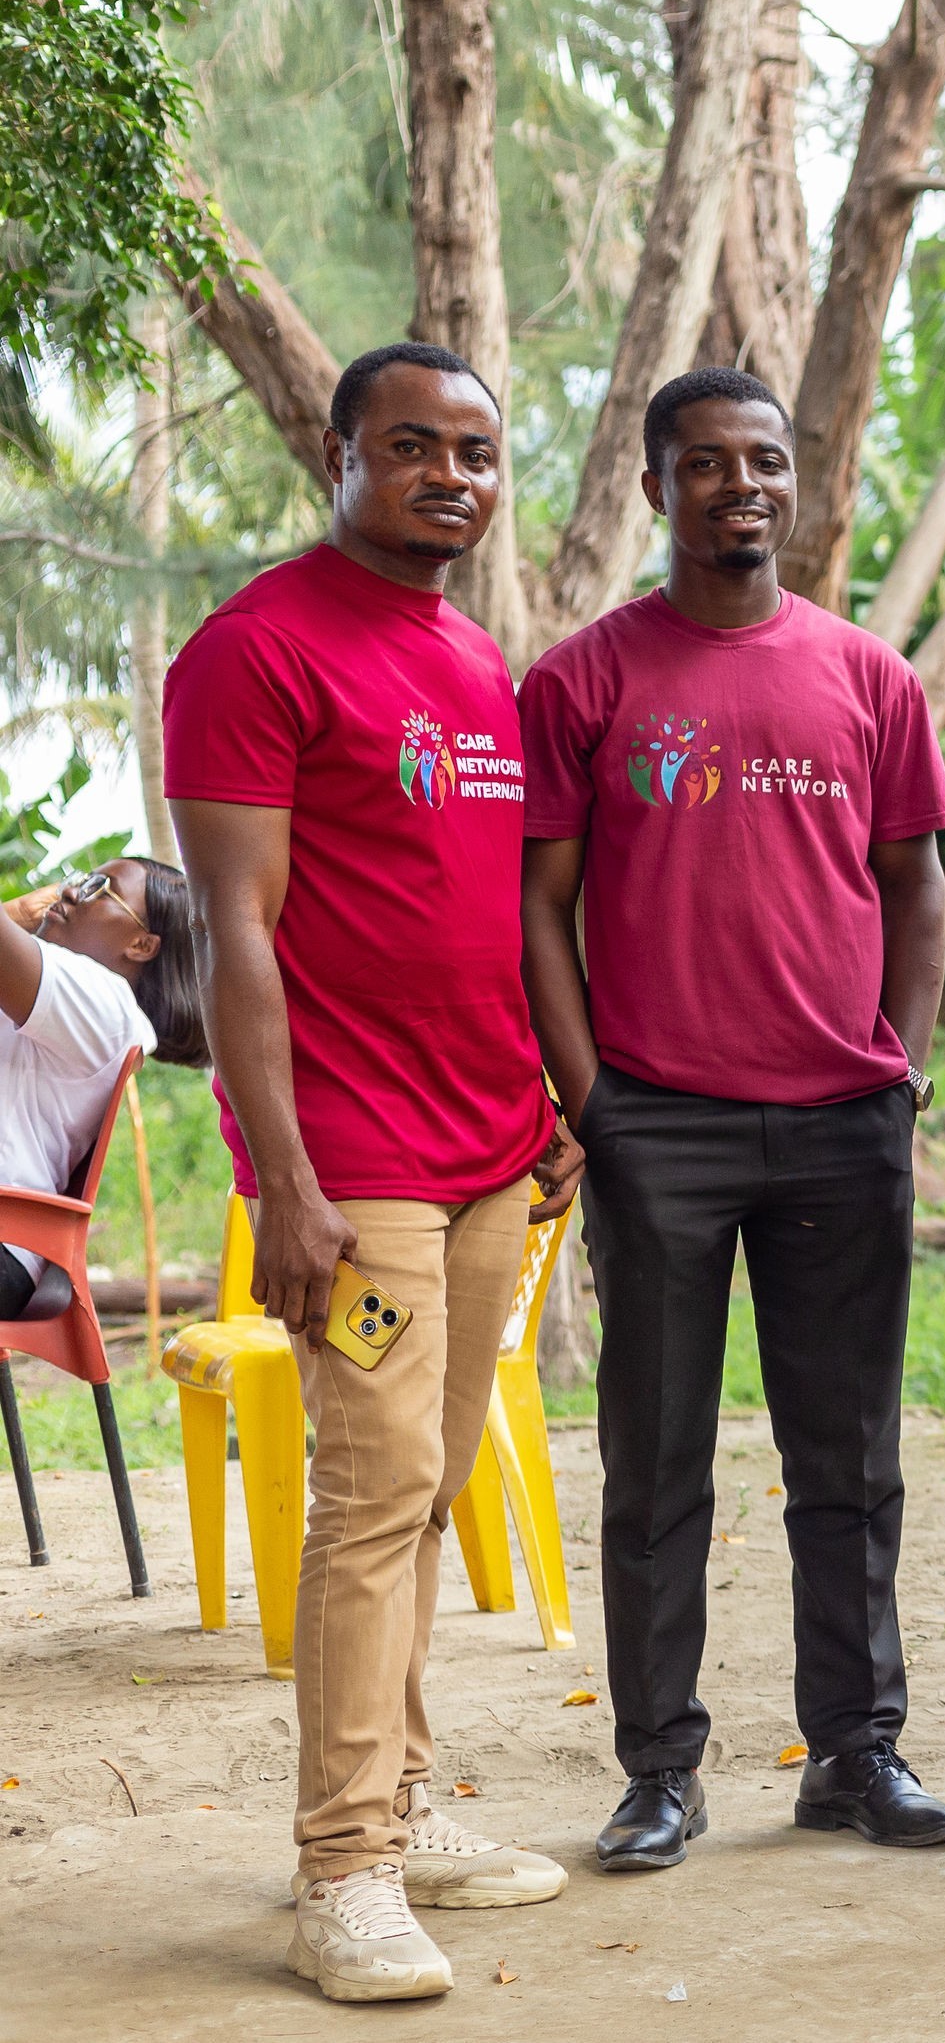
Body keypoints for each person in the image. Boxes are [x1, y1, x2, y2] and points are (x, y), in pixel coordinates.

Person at [165, 341, 581, 2003]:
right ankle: (341, 1867)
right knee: (370, 1491)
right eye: (411, 446)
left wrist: (549, 1097)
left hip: (490, 1143)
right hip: (356, 1156)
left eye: (475, 451)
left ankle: (398, 1802)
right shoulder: (254, 647)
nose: (449, 476)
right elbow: (233, 930)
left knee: (425, 1481)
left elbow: (490, 908)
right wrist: (285, 1176)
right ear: (338, 453)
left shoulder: (475, 657)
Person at [522, 367, 945, 1872]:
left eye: (765, 460)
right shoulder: (582, 679)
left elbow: (918, 886)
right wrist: (594, 1097)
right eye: (706, 463)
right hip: (662, 1126)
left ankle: (856, 1750)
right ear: (658, 487)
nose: (741, 486)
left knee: (849, 1456)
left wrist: (900, 1069)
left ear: (796, 477)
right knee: (657, 1462)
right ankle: (661, 1768)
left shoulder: (868, 675)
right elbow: (540, 904)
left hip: (843, 1118)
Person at [0, 858, 209, 1318]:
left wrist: (18, 914)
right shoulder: (58, 998)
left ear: (141, 944)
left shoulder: (107, 1004)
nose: (69, 892)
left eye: (99, 887)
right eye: (79, 879)